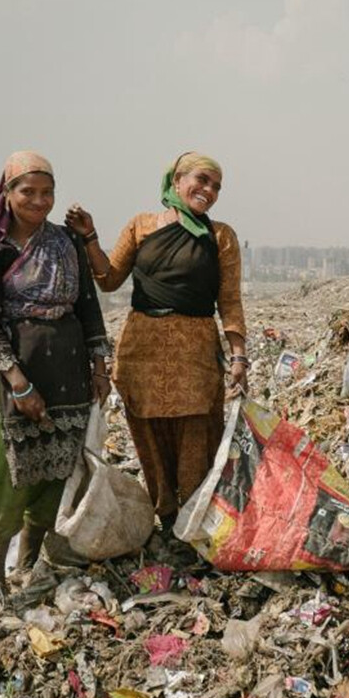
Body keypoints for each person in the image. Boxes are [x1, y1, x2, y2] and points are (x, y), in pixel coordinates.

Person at [65, 151, 247, 531]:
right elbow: (109, 278)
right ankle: (165, 518)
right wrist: (90, 238)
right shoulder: (142, 227)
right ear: (176, 180)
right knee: (149, 433)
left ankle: (195, 522)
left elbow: (229, 300)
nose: (209, 191)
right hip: (141, 351)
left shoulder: (221, 237)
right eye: (202, 180)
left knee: (198, 431)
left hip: (195, 351)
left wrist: (239, 357)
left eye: (216, 186)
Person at [0, 151, 111, 589]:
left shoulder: (66, 242)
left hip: (70, 373)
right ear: (6, 194)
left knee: (56, 474)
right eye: (27, 191)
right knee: (7, 476)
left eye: (46, 191)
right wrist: (18, 383)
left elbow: (88, 306)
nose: (38, 199)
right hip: (23, 376)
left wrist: (101, 365)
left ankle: (28, 567)